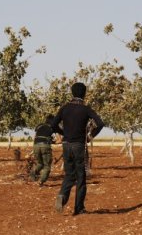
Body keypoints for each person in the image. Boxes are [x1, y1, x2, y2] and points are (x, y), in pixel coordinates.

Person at [52, 82, 104, 215]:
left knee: (69, 174)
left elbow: (53, 125)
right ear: (84, 93)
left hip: (66, 145)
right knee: (80, 176)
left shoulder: (65, 108)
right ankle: (79, 208)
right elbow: (100, 123)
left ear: (72, 93)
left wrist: (64, 133)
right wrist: (90, 136)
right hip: (79, 145)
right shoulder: (86, 109)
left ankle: (62, 197)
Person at [30, 114, 62, 186]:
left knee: (40, 164)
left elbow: (35, 137)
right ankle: (41, 181)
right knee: (47, 166)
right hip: (45, 146)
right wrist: (52, 142)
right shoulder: (53, 127)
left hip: (36, 145)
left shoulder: (39, 126)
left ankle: (33, 172)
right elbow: (59, 140)